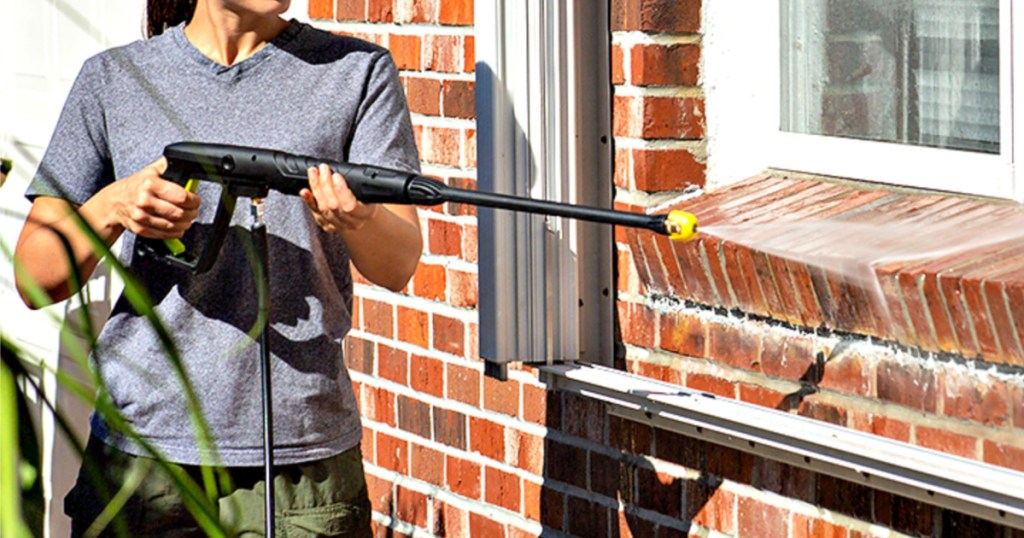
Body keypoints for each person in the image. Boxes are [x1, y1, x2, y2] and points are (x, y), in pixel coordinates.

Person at [13, 0, 422, 535]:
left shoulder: (356, 72)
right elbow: (33, 276)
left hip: (301, 465)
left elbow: (399, 263)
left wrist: (356, 219)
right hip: (141, 459)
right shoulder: (114, 79)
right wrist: (113, 205)